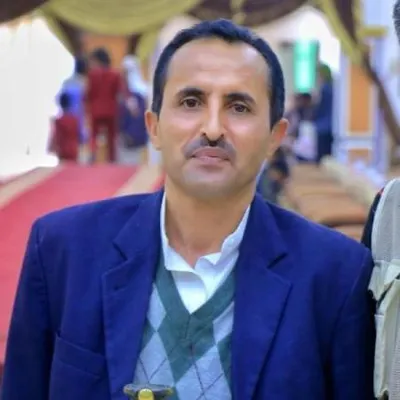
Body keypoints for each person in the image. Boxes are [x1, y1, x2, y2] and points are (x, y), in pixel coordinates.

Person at [2, 19, 375, 399]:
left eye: (239, 107)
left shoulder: (335, 275)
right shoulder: (63, 250)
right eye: (191, 102)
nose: (212, 129)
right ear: (154, 126)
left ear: (274, 137)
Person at [86, 48, 122, 162]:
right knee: (111, 136)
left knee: (94, 134)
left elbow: (89, 94)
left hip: (96, 109)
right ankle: (112, 159)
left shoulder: (92, 74)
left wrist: (87, 108)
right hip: (111, 109)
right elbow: (118, 92)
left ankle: (92, 155)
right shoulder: (115, 74)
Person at [48, 92, 80, 162]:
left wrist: (51, 148)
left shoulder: (58, 121)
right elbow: (80, 136)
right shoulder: (75, 120)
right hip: (74, 150)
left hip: (63, 151)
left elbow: (56, 136)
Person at [313, 64, 334, 164]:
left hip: (322, 127)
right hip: (331, 127)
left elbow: (318, 108)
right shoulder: (333, 88)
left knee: (321, 160)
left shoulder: (324, 89)